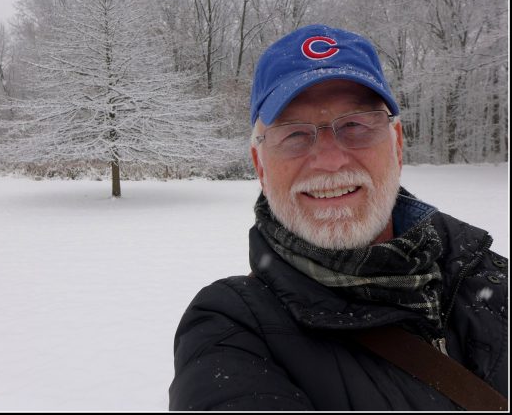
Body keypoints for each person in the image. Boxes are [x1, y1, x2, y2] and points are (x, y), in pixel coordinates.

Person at [168, 24, 508, 411]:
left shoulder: (489, 278)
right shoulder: (231, 329)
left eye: (355, 125)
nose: (330, 161)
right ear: (260, 166)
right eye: (294, 134)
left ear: (397, 144)